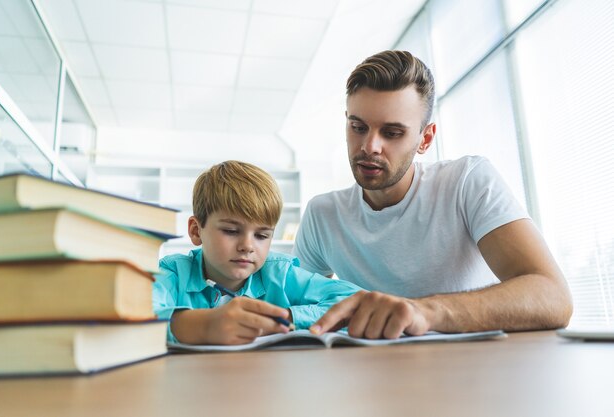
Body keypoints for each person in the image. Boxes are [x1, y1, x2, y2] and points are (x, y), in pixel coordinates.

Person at [292, 50, 573, 339]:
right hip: (372, 373)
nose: (369, 146)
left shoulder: (466, 181)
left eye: (392, 132)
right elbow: (293, 309)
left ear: (425, 139)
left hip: (475, 373)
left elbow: (553, 297)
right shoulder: (322, 215)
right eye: (358, 127)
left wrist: (424, 312)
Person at [153, 160, 362, 345]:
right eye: (231, 231)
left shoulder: (280, 275)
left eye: (262, 236)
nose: (247, 246)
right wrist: (204, 326)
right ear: (196, 230)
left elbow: (355, 301)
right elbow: (137, 315)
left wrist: (286, 317)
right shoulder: (172, 274)